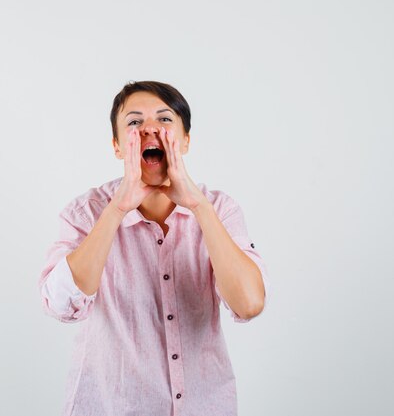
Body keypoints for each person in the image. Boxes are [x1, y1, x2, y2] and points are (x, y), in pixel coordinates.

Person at [38, 80, 270, 416]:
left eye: (164, 120)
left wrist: (199, 207)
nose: (150, 129)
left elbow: (249, 303)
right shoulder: (85, 212)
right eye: (134, 122)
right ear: (118, 146)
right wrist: (117, 209)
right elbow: (59, 305)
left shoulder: (220, 209)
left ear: (185, 140)